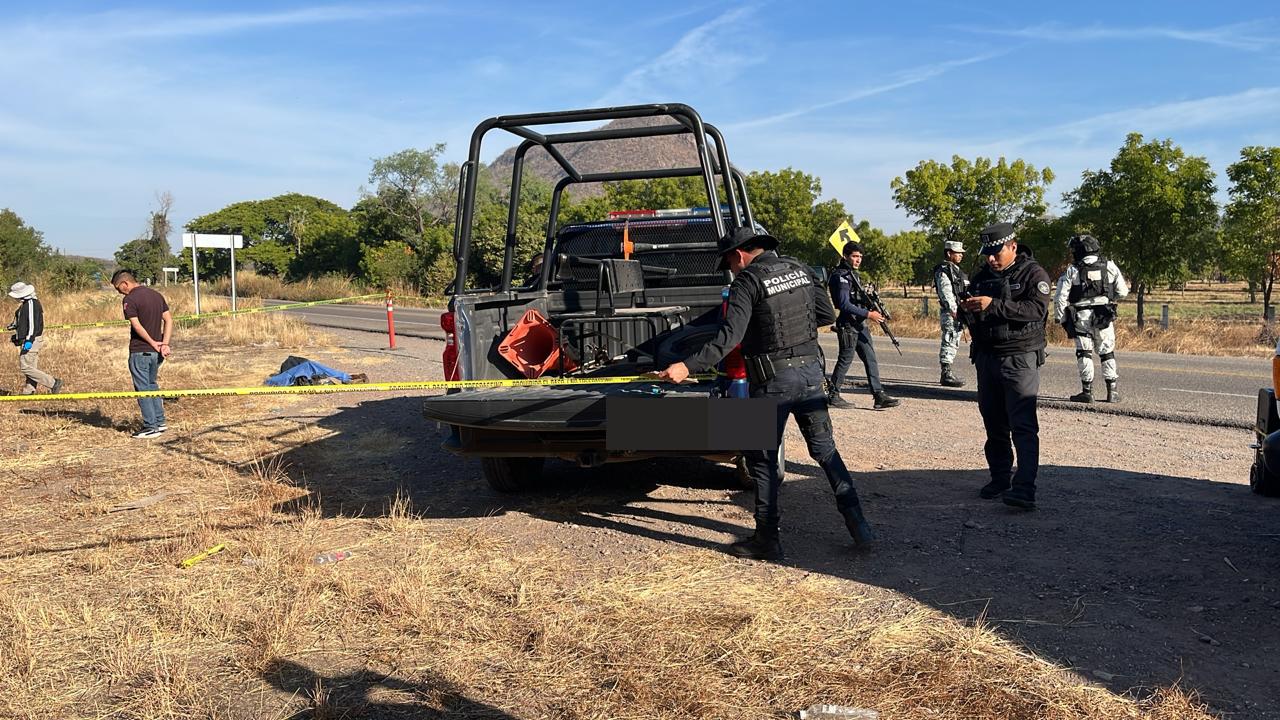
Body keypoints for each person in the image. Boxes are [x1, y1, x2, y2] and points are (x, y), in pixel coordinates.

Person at [655, 226, 875, 560]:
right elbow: (827, 315)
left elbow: (728, 338)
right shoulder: (800, 269)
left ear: (740, 253)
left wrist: (686, 367)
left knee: (761, 459)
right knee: (826, 451)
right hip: (811, 375)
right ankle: (859, 525)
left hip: (772, 381)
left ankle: (767, 540)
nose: (729, 269)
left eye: (728, 262)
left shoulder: (747, 281)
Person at [959, 223, 1052, 510]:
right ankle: (1000, 478)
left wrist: (993, 305)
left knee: (1022, 425)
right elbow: (975, 309)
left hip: (1019, 357)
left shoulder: (1032, 273)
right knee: (993, 422)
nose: (991, 259)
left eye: (996, 252)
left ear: (1012, 246)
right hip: (987, 357)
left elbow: (1037, 310)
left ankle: (1024, 488)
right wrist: (966, 311)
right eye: (987, 253)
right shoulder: (982, 276)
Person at [1053, 234, 1129, 403]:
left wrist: (1059, 317)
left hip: (1081, 315)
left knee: (1084, 352)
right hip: (1104, 315)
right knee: (1107, 352)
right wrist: (1109, 299)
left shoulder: (1073, 270)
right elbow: (1123, 292)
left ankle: (1087, 392)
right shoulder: (1109, 266)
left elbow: (1060, 297)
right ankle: (1112, 391)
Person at [826, 241, 900, 410]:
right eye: (854, 256)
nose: (858, 260)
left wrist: (871, 307)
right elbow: (843, 304)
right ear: (845, 256)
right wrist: (869, 314)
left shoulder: (854, 275)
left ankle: (878, 395)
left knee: (870, 359)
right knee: (845, 359)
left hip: (859, 324)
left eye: (860, 257)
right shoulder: (841, 276)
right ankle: (833, 395)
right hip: (847, 325)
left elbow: (856, 301)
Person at [111, 270, 173, 439]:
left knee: (142, 388)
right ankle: (159, 422)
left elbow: (137, 326)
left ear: (125, 284)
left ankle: (150, 426)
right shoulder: (156, 295)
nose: (119, 292)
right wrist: (164, 343)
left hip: (140, 350)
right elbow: (168, 320)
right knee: (152, 384)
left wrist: (152, 343)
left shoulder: (129, 299)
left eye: (118, 289)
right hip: (157, 353)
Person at [7, 282, 62, 395]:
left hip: (32, 340)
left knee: (25, 366)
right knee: (31, 365)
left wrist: (29, 340)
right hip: (29, 339)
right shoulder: (26, 304)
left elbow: (33, 325)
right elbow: (23, 321)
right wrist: (15, 327)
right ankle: (29, 390)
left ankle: (53, 382)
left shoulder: (31, 304)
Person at [933, 241, 969, 388]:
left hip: (959, 311)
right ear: (949, 253)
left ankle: (947, 372)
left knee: (954, 339)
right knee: (950, 338)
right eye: (957, 252)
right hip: (951, 312)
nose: (960, 255)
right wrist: (954, 310)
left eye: (961, 253)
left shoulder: (956, 270)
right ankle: (946, 374)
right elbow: (946, 292)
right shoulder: (944, 271)